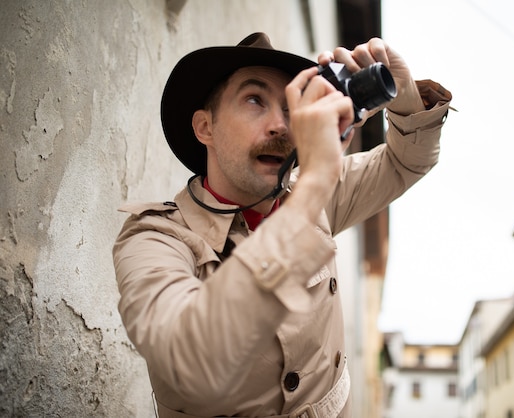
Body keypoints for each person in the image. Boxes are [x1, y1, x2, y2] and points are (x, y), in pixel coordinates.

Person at [113, 32, 452, 417]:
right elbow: (188, 364)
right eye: (255, 100)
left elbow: (405, 162)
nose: (280, 125)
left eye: (291, 108)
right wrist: (314, 183)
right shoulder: (154, 237)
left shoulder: (310, 193)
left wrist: (405, 97)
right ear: (205, 127)